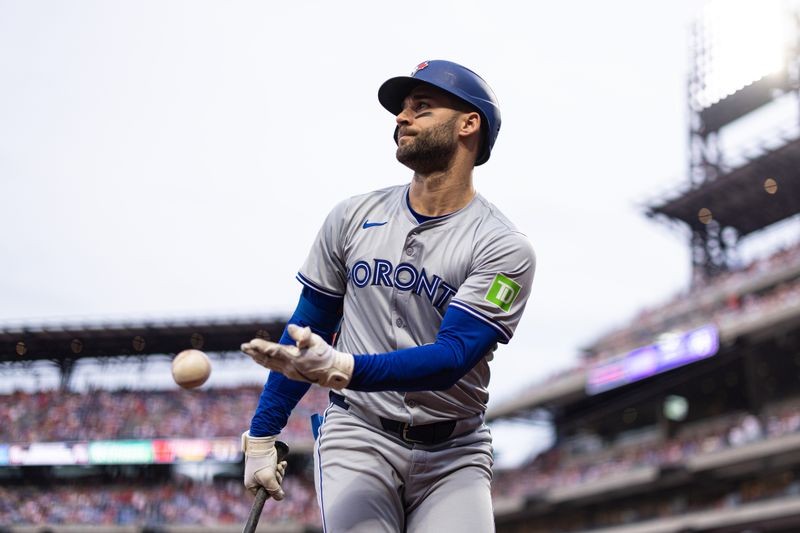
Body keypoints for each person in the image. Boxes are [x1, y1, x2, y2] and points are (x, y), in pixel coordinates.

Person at [240, 59, 536, 532]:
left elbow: (452, 358)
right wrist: (262, 434)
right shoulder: (352, 216)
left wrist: (342, 367)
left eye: (422, 107)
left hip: (454, 453)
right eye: (401, 109)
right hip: (358, 434)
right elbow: (309, 328)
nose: (402, 118)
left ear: (469, 124)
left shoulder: (503, 245)